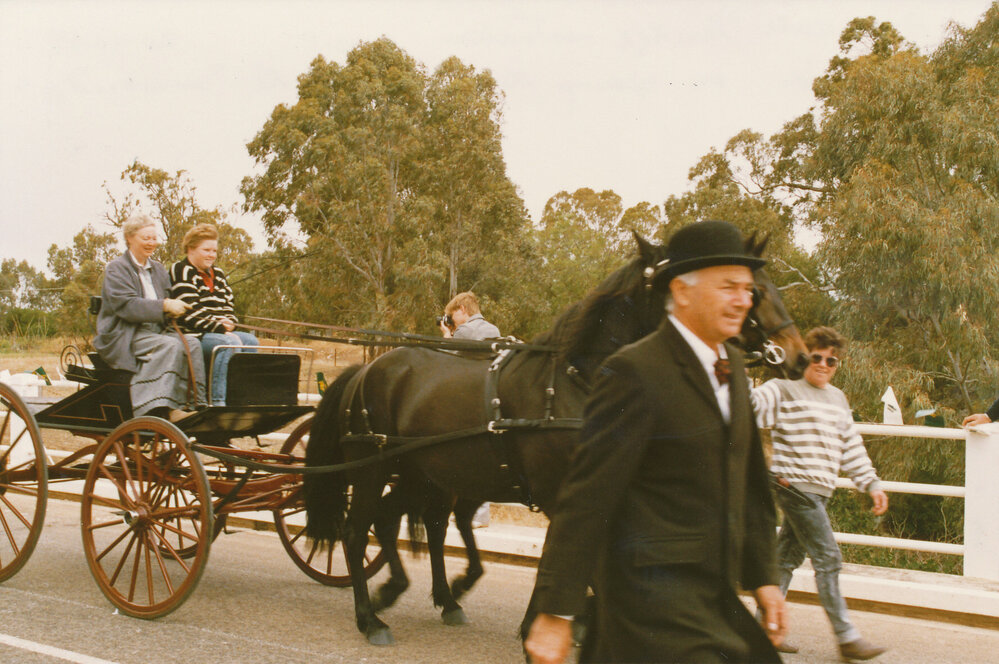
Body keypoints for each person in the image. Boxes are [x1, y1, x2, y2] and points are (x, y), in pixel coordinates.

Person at [525, 220, 785, 664]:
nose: (743, 300)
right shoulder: (635, 371)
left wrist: (763, 577)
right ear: (682, 292)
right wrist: (556, 610)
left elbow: (751, 483)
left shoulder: (736, 367)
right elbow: (588, 495)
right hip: (649, 601)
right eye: (728, 286)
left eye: (747, 289)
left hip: (712, 595)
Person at [751, 326, 889, 661]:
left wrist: (870, 483)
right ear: (805, 357)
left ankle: (761, 632)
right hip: (795, 488)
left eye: (832, 360)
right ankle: (846, 637)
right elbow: (749, 406)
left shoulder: (838, 399)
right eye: (817, 357)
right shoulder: (783, 390)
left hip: (817, 493)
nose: (824, 364)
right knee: (829, 559)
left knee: (785, 559)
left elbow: (851, 446)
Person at [94, 213, 207, 420]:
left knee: (192, 344)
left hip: (156, 331)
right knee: (170, 346)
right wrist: (165, 305)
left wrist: (177, 308)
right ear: (129, 238)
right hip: (125, 333)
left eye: (154, 238)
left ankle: (194, 405)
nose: (151, 243)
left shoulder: (158, 269)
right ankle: (158, 408)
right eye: (146, 238)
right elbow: (127, 306)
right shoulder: (117, 269)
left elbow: (167, 300)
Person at [170, 223, 257, 406]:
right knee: (229, 342)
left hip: (219, 331)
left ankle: (242, 398)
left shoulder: (217, 273)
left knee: (251, 341)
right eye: (206, 250)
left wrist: (230, 322)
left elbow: (228, 305)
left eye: (214, 251)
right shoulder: (181, 270)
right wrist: (220, 327)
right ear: (190, 249)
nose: (212, 255)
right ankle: (217, 402)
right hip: (194, 334)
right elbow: (190, 311)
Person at [439, 290, 500, 527]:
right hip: (486, 396)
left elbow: (446, 361)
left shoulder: (464, 330)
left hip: (465, 399)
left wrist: (447, 336)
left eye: (452, 314)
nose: (451, 320)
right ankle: (481, 514)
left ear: (462, 310)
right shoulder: (493, 329)